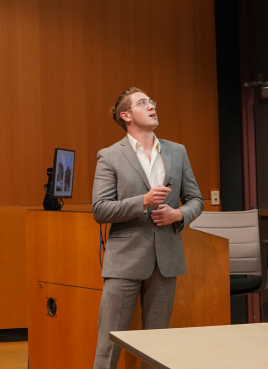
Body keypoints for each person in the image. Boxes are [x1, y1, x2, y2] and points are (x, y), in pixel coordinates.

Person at [91, 87, 204, 369]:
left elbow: (196, 200)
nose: (152, 105)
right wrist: (141, 201)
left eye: (152, 101)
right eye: (143, 103)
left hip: (166, 260)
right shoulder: (109, 156)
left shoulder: (177, 152)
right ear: (125, 115)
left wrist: (178, 214)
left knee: (157, 348)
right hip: (124, 261)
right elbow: (100, 209)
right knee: (108, 344)